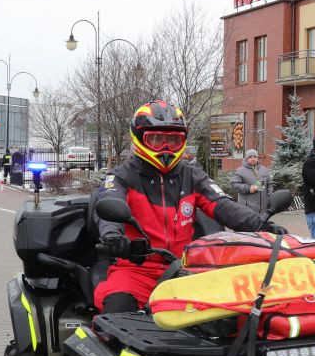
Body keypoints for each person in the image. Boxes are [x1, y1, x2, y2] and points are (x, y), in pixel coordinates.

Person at [94, 101, 286, 313]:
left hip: (184, 269)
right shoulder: (121, 176)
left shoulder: (192, 175)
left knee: (229, 316)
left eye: (173, 140)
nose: (166, 148)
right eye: (157, 139)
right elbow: (110, 206)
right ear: (139, 139)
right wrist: (113, 236)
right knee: (116, 314)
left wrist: (262, 226)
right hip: (135, 270)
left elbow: (222, 205)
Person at [231, 149, 274, 214]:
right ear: (246, 159)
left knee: (262, 224)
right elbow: (234, 185)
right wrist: (249, 188)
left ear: (257, 158)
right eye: (250, 157)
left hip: (263, 209)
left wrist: (269, 197)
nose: (253, 159)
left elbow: (269, 184)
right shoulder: (240, 171)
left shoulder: (264, 170)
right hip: (248, 209)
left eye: (254, 157)